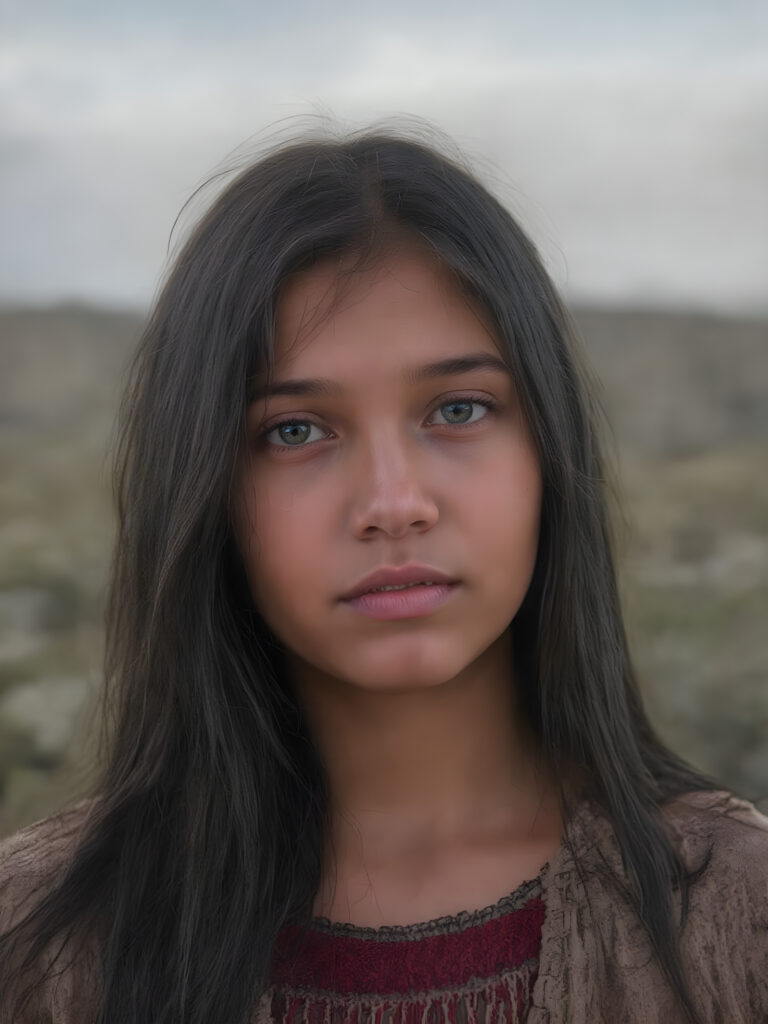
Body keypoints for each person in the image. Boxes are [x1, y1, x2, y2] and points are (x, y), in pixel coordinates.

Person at [0, 125, 766, 1024]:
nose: (393, 502)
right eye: (295, 430)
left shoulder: (732, 918)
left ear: (549, 453)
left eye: (458, 408)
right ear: (203, 487)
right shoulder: (43, 944)